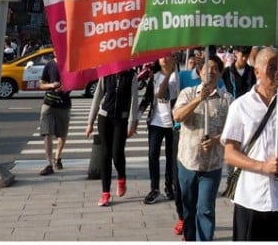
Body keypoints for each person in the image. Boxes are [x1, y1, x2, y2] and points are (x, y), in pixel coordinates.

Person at [221, 46, 278, 241]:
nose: (276, 72)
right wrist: (263, 167)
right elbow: (229, 153)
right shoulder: (241, 106)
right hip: (251, 199)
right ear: (257, 71)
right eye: (271, 67)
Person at [174, 53, 231, 241]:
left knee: (205, 209)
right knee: (188, 208)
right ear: (199, 71)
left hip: (211, 166)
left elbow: (234, 132)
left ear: (220, 73)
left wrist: (217, 139)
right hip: (188, 162)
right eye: (207, 68)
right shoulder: (187, 93)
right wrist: (199, 99)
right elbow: (178, 116)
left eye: (216, 69)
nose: (211, 72)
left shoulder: (227, 100)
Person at [85, 68, 140, 207]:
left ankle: (121, 178)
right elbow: (97, 96)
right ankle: (105, 193)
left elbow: (134, 100)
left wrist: (132, 123)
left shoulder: (131, 75)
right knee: (105, 154)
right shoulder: (106, 72)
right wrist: (90, 122)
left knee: (117, 153)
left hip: (121, 119)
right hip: (104, 117)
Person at [140, 54, 179, 204]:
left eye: (168, 56)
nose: (164, 59)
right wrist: (135, 119)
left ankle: (169, 187)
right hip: (156, 122)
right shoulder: (154, 77)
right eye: (161, 56)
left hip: (173, 124)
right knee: (152, 155)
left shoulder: (179, 77)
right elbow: (148, 99)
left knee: (171, 157)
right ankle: (154, 188)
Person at [37, 53, 70, 176]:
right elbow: (41, 84)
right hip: (49, 104)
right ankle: (49, 164)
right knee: (47, 133)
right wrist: (51, 85)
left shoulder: (69, 64)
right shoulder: (50, 65)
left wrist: (65, 87)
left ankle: (58, 157)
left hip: (64, 104)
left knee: (62, 134)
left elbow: (76, 83)